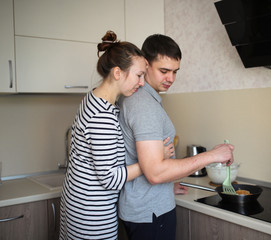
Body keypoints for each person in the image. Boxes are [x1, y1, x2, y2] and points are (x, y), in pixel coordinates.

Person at [117, 34, 235, 240]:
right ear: (145, 64)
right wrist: (212, 156)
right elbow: (154, 172)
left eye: (174, 71)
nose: (171, 78)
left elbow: (147, 163)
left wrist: (166, 186)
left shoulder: (145, 99)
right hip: (150, 213)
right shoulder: (143, 105)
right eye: (164, 71)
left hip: (146, 207)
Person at [59, 30, 147, 240]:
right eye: (139, 75)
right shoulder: (102, 116)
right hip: (91, 214)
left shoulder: (93, 98)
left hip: (78, 202)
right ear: (118, 73)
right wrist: (151, 161)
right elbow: (111, 179)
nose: (142, 82)